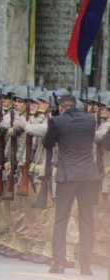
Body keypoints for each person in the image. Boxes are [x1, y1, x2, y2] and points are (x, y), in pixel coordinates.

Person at [44, 94, 99, 276]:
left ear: (61, 107)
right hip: (88, 176)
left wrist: (51, 122)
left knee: (61, 219)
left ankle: (59, 264)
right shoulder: (91, 120)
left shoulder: (58, 121)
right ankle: (86, 266)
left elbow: (48, 143)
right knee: (86, 221)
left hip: (68, 175)